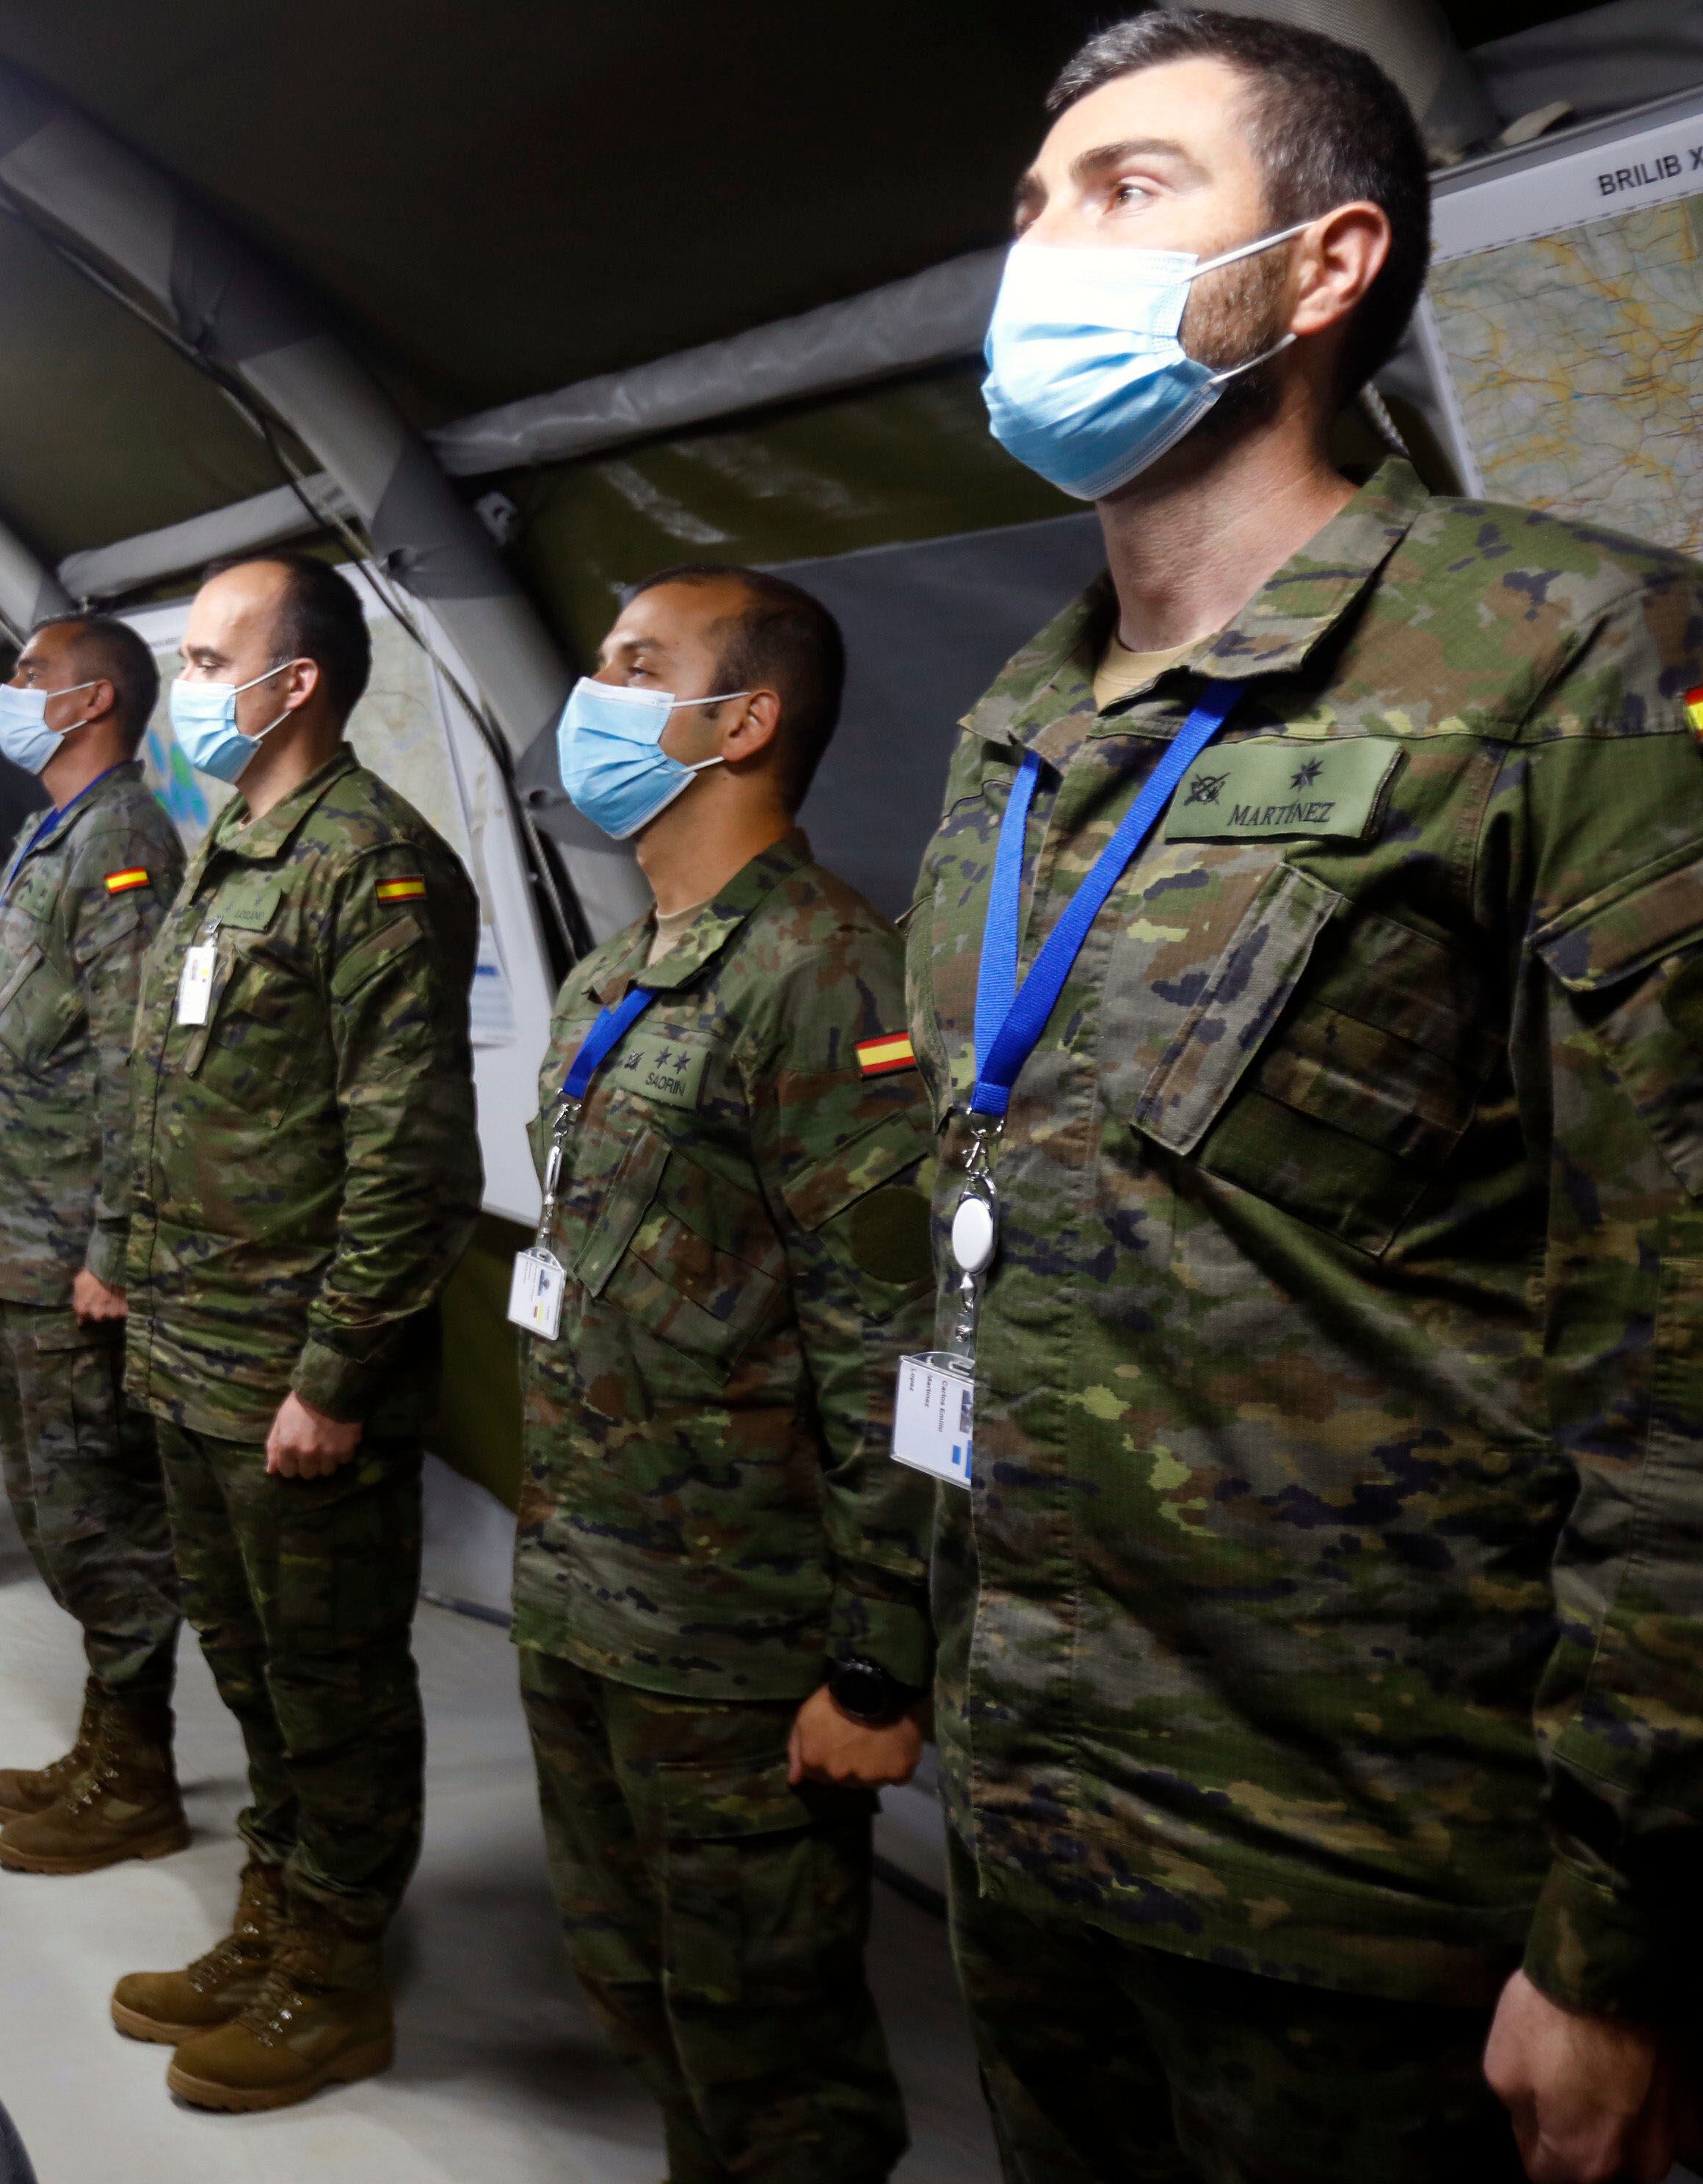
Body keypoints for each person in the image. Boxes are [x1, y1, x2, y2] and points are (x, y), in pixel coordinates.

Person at [912, 16, 1703, 2183]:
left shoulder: (1566, 656)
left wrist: (1626, 1925)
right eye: (1028, 207)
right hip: (1039, 1819)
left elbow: (1685, 1342)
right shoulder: (1018, 721)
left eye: (1126, 191)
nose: (1040, 253)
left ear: (1324, 261)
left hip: (1381, 1897)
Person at [516, 567, 937, 2184]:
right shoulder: (617, 976)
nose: (598, 689)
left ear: (744, 720)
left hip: (738, 1637)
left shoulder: (828, 979)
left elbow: (894, 1339)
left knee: (777, 2061)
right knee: (642, 1995)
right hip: (590, 1595)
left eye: (638, 664)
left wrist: (875, 1664)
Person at [102, 553, 479, 2112]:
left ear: (295, 680)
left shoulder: (373, 867)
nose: (184, 686)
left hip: (289, 1375)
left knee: (332, 1680)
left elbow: (409, 1160)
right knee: (250, 1669)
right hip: (193, 1352)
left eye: (203, 658)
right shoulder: (230, 844)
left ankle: (335, 1973)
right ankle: (276, 1908)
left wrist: (334, 1379)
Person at [0, 614, 192, 1873]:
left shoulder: (124, 841)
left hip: (63, 1254)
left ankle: (137, 1775)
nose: (8, 694)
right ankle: (104, 1737)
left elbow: (136, 1067)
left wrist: (115, 1247)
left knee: (97, 1515)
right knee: (47, 1506)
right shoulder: (59, 833)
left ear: (90, 702)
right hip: (12, 1240)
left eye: (26, 676)